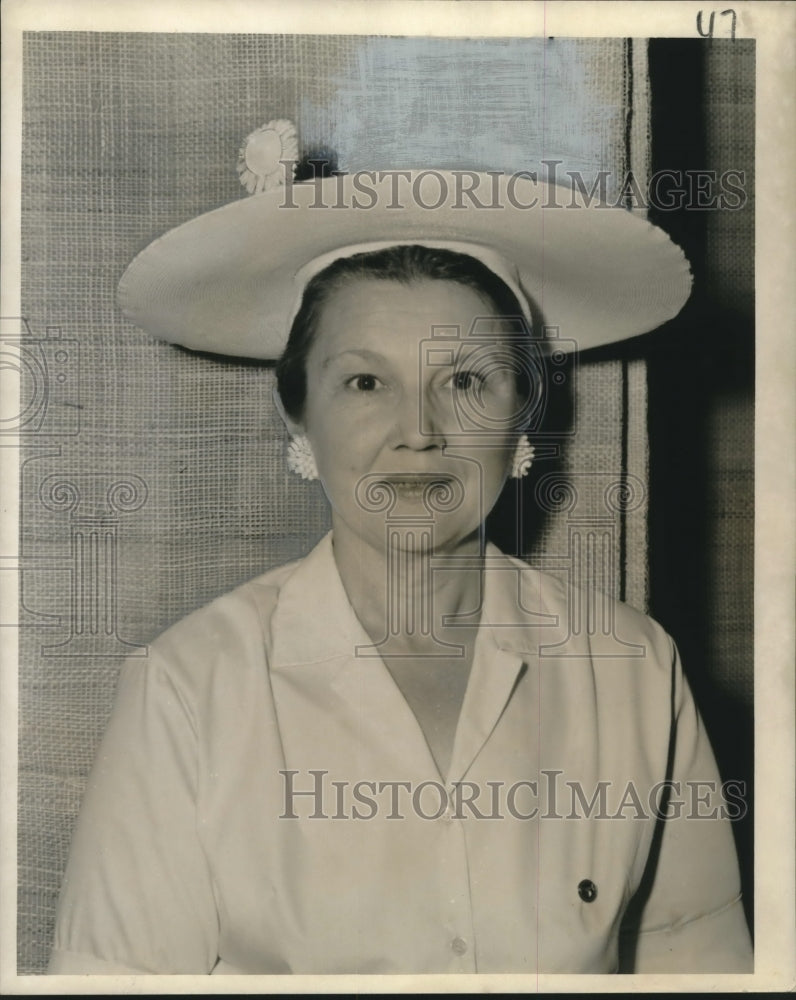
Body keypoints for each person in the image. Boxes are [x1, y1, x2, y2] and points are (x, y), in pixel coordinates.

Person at [47, 129, 753, 975]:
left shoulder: (635, 670)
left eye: (465, 382)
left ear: (524, 416)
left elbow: (697, 958)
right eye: (365, 383)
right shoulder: (189, 691)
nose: (418, 434)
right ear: (299, 416)